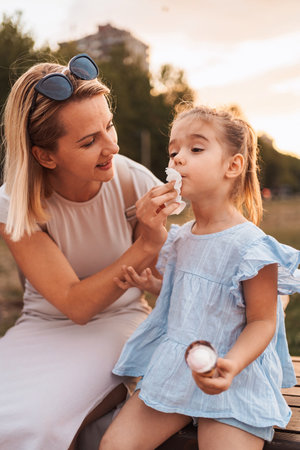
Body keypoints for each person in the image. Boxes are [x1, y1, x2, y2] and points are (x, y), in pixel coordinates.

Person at [0, 53, 179, 450]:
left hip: (121, 321)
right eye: (89, 141)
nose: (111, 146)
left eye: (109, 126)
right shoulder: (14, 202)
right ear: (45, 156)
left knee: (40, 425)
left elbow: (177, 269)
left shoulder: (132, 180)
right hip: (42, 326)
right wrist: (147, 243)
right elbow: (74, 304)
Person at [99, 105, 300, 450]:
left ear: (233, 166)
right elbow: (200, 297)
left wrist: (232, 365)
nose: (177, 158)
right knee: (115, 445)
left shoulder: (252, 247)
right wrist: (156, 285)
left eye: (195, 148)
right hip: (176, 369)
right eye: (173, 151)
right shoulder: (180, 237)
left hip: (233, 376)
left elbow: (263, 321)